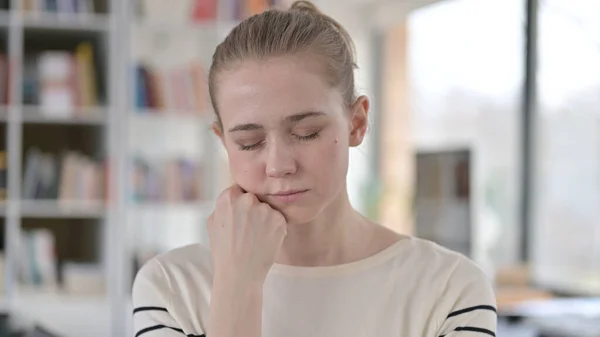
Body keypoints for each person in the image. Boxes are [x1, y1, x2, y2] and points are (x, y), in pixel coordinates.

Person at [131, 1, 497, 337]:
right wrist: (238, 285)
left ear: (356, 123)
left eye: (306, 133)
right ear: (223, 140)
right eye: (249, 142)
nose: (278, 165)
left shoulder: (450, 290)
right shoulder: (170, 288)